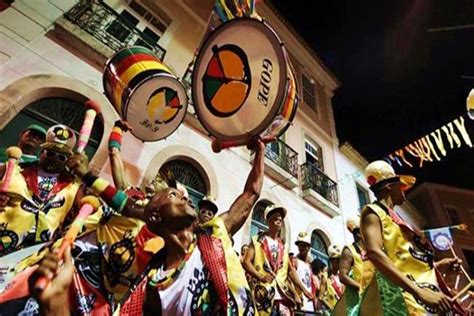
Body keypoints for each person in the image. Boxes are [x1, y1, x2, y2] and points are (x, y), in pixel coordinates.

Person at [31, 138, 266, 315]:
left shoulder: (215, 233)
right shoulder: (150, 284)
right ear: (154, 216)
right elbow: (126, 204)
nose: (186, 198)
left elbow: (250, 194)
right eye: (173, 194)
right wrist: (57, 307)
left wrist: (260, 152)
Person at [359, 160, 463, 315]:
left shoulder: (395, 218)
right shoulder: (372, 213)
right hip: (403, 300)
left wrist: (439, 265)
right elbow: (374, 253)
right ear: (388, 187)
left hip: (418, 293)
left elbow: (405, 263)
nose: (404, 191)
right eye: (400, 186)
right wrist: (419, 292)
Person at [0, 124, 81, 255]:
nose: (55, 157)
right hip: (4, 242)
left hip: (36, 255)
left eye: (61, 156)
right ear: (41, 152)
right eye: (50, 153)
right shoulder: (14, 168)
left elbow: (83, 218)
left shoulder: (74, 185)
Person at [243, 205, 313, 315]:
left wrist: (303, 290)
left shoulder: (282, 246)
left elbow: (290, 272)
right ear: (268, 221)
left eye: (280, 219)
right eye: (275, 218)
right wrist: (260, 276)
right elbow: (246, 262)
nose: (279, 220)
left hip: (282, 297)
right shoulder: (257, 240)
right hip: (263, 295)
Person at [332, 216, 375, 315]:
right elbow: (343, 276)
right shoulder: (349, 251)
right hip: (354, 303)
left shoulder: (372, 251)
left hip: (372, 299)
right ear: (359, 233)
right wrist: (361, 288)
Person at [292, 231, 316, 313]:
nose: (302, 248)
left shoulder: (310, 265)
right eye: (300, 245)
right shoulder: (294, 261)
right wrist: (295, 294)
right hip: (299, 302)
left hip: (310, 303)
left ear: (308, 247)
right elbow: (290, 278)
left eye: (304, 245)